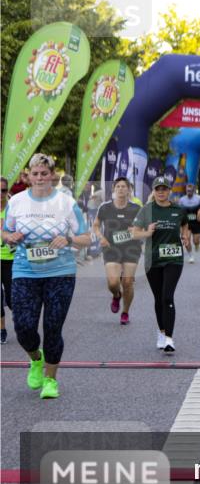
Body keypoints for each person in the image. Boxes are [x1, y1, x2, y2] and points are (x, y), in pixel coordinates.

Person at [1, 154, 92, 399]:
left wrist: (70, 239)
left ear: (52, 175)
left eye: (44, 173)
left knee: (53, 327)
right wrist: (8, 236)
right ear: (28, 176)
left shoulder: (66, 202)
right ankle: (35, 359)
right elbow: (5, 229)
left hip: (60, 273)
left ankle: (51, 381)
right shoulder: (17, 201)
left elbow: (86, 237)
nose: (40, 178)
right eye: (35, 173)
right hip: (24, 271)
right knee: (23, 327)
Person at [131, 175, 189, 354]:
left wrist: (185, 236)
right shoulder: (146, 210)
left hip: (174, 259)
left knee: (167, 297)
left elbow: (185, 224)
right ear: (154, 192)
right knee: (158, 299)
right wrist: (147, 233)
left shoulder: (178, 210)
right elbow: (134, 233)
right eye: (158, 189)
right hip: (153, 260)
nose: (161, 192)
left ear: (169, 191)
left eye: (164, 189)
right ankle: (162, 332)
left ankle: (169, 339)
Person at [93, 177, 143, 325]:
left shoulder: (136, 208)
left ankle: (125, 312)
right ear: (114, 189)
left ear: (129, 190)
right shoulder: (105, 207)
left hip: (131, 248)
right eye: (118, 186)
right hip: (111, 247)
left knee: (128, 282)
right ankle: (116, 295)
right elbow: (96, 225)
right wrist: (100, 237)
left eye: (124, 187)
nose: (121, 189)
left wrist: (136, 230)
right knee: (113, 282)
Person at [177, 183, 200, 262]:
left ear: (193, 190)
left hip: (196, 222)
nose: (189, 192)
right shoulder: (182, 200)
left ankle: (197, 244)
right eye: (187, 190)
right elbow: (179, 212)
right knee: (186, 239)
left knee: (196, 241)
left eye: (190, 190)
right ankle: (191, 256)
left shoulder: (199, 199)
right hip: (186, 223)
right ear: (185, 190)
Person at [0, 177, 13, 344]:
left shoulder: (13, 209)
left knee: (11, 299)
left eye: (3, 190)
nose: (0, 194)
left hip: (11, 259)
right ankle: (2, 328)